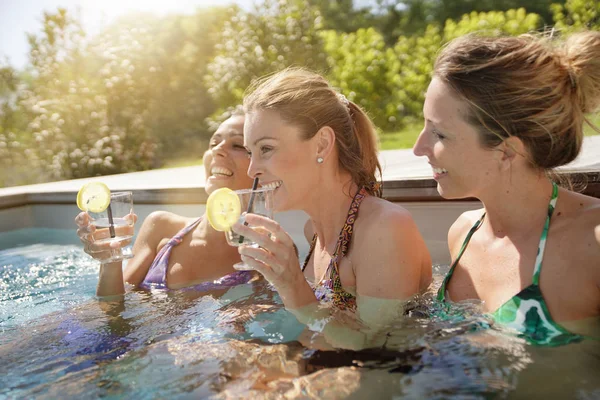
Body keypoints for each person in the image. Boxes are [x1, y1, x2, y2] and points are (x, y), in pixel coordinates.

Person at [412, 31, 600, 346]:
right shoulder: (463, 232)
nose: (419, 148)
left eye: (439, 134)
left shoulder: (591, 244)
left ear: (507, 150)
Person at [231, 68, 432, 348]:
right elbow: (319, 332)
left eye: (266, 149)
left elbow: (375, 349)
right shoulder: (312, 230)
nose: (252, 170)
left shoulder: (385, 228)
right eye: (250, 153)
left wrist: (292, 285)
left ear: (322, 145)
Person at [76, 111, 257, 297]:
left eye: (237, 145)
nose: (217, 149)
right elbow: (111, 310)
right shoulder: (162, 227)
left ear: (260, 167)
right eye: (213, 143)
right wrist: (109, 262)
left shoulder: (264, 256)